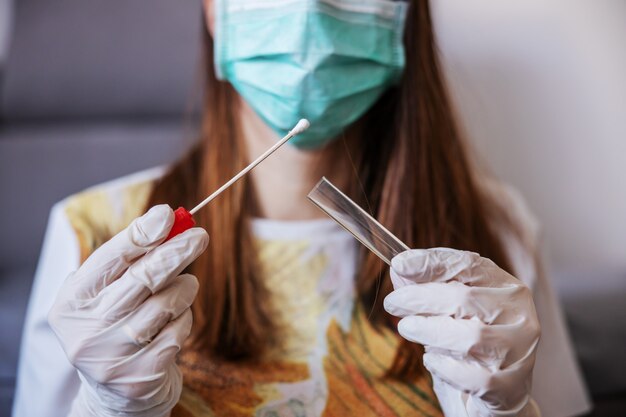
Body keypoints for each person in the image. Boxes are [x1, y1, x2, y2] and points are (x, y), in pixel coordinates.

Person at [13, 0, 591, 416]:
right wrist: (107, 408)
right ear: (214, 11)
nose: (311, 11)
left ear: (407, 17)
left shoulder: (493, 235)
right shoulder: (91, 237)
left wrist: (509, 413)